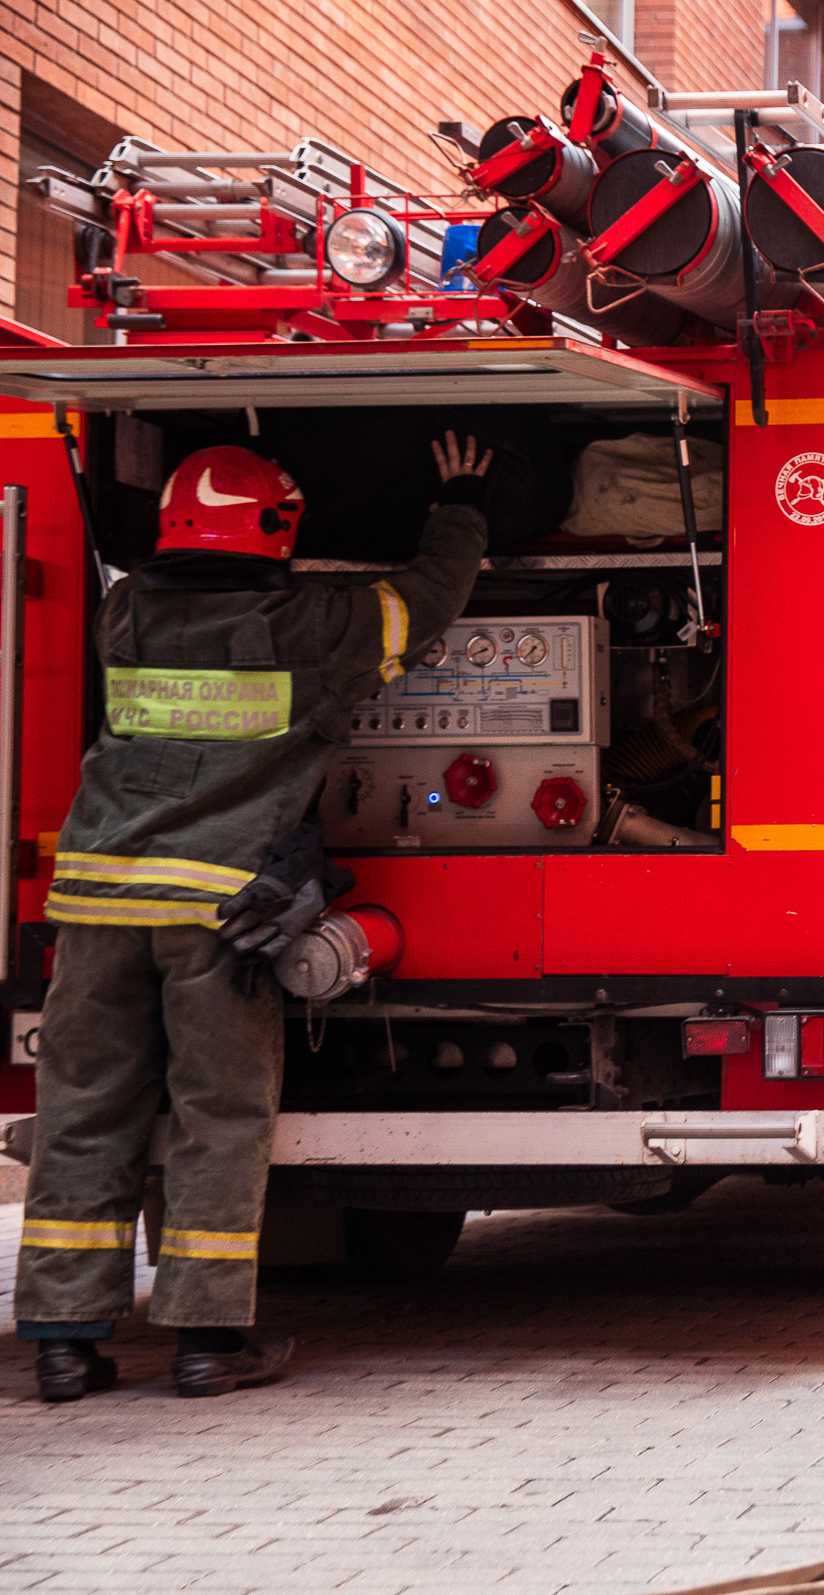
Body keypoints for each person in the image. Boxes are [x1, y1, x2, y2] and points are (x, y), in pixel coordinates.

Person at [16, 432, 491, 1401]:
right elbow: (430, 598)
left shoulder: (122, 616)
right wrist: (462, 503)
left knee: (81, 1115)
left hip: (96, 901)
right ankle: (205, 1338)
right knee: (217, 1115)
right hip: (215, 914)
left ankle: (64, 1343)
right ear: (276, 530)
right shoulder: (316, 626)